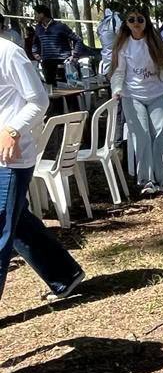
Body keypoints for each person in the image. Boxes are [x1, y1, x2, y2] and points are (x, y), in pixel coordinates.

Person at [0, 37, 86, 302]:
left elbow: (38, 101)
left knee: (2, 223)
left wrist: (13, 130)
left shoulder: (8, 53)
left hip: (10, 156)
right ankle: (64, 274)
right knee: (18, 221)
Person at [109, 7, 163, 196]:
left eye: (140, 19)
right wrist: (117, 90)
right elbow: (118, 71)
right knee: (142, 136)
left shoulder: (156, 42)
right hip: (132, 96)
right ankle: (146, 179)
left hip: (157, 93)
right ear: (126, 23)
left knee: (159, 135)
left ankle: (162, 178)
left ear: (146, 22)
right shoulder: (123, 45)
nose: (136, 23)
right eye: (131, 20)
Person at [31, 5, 82, 87]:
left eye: (36, 14)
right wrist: (35, 52)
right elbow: (35, 42)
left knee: (68, 89)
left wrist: (75, 55)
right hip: (47, 62)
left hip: (62, 61)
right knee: (52, 90)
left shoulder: (60, 26)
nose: (35, 17)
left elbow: (78, 39)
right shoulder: (38, 28)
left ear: (42, 14)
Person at [97, 2, 123, 75]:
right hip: (115, 57)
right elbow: (122, 34)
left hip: (106, 54)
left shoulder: (104, 20)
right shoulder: (116, 19)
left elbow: (98, 32)